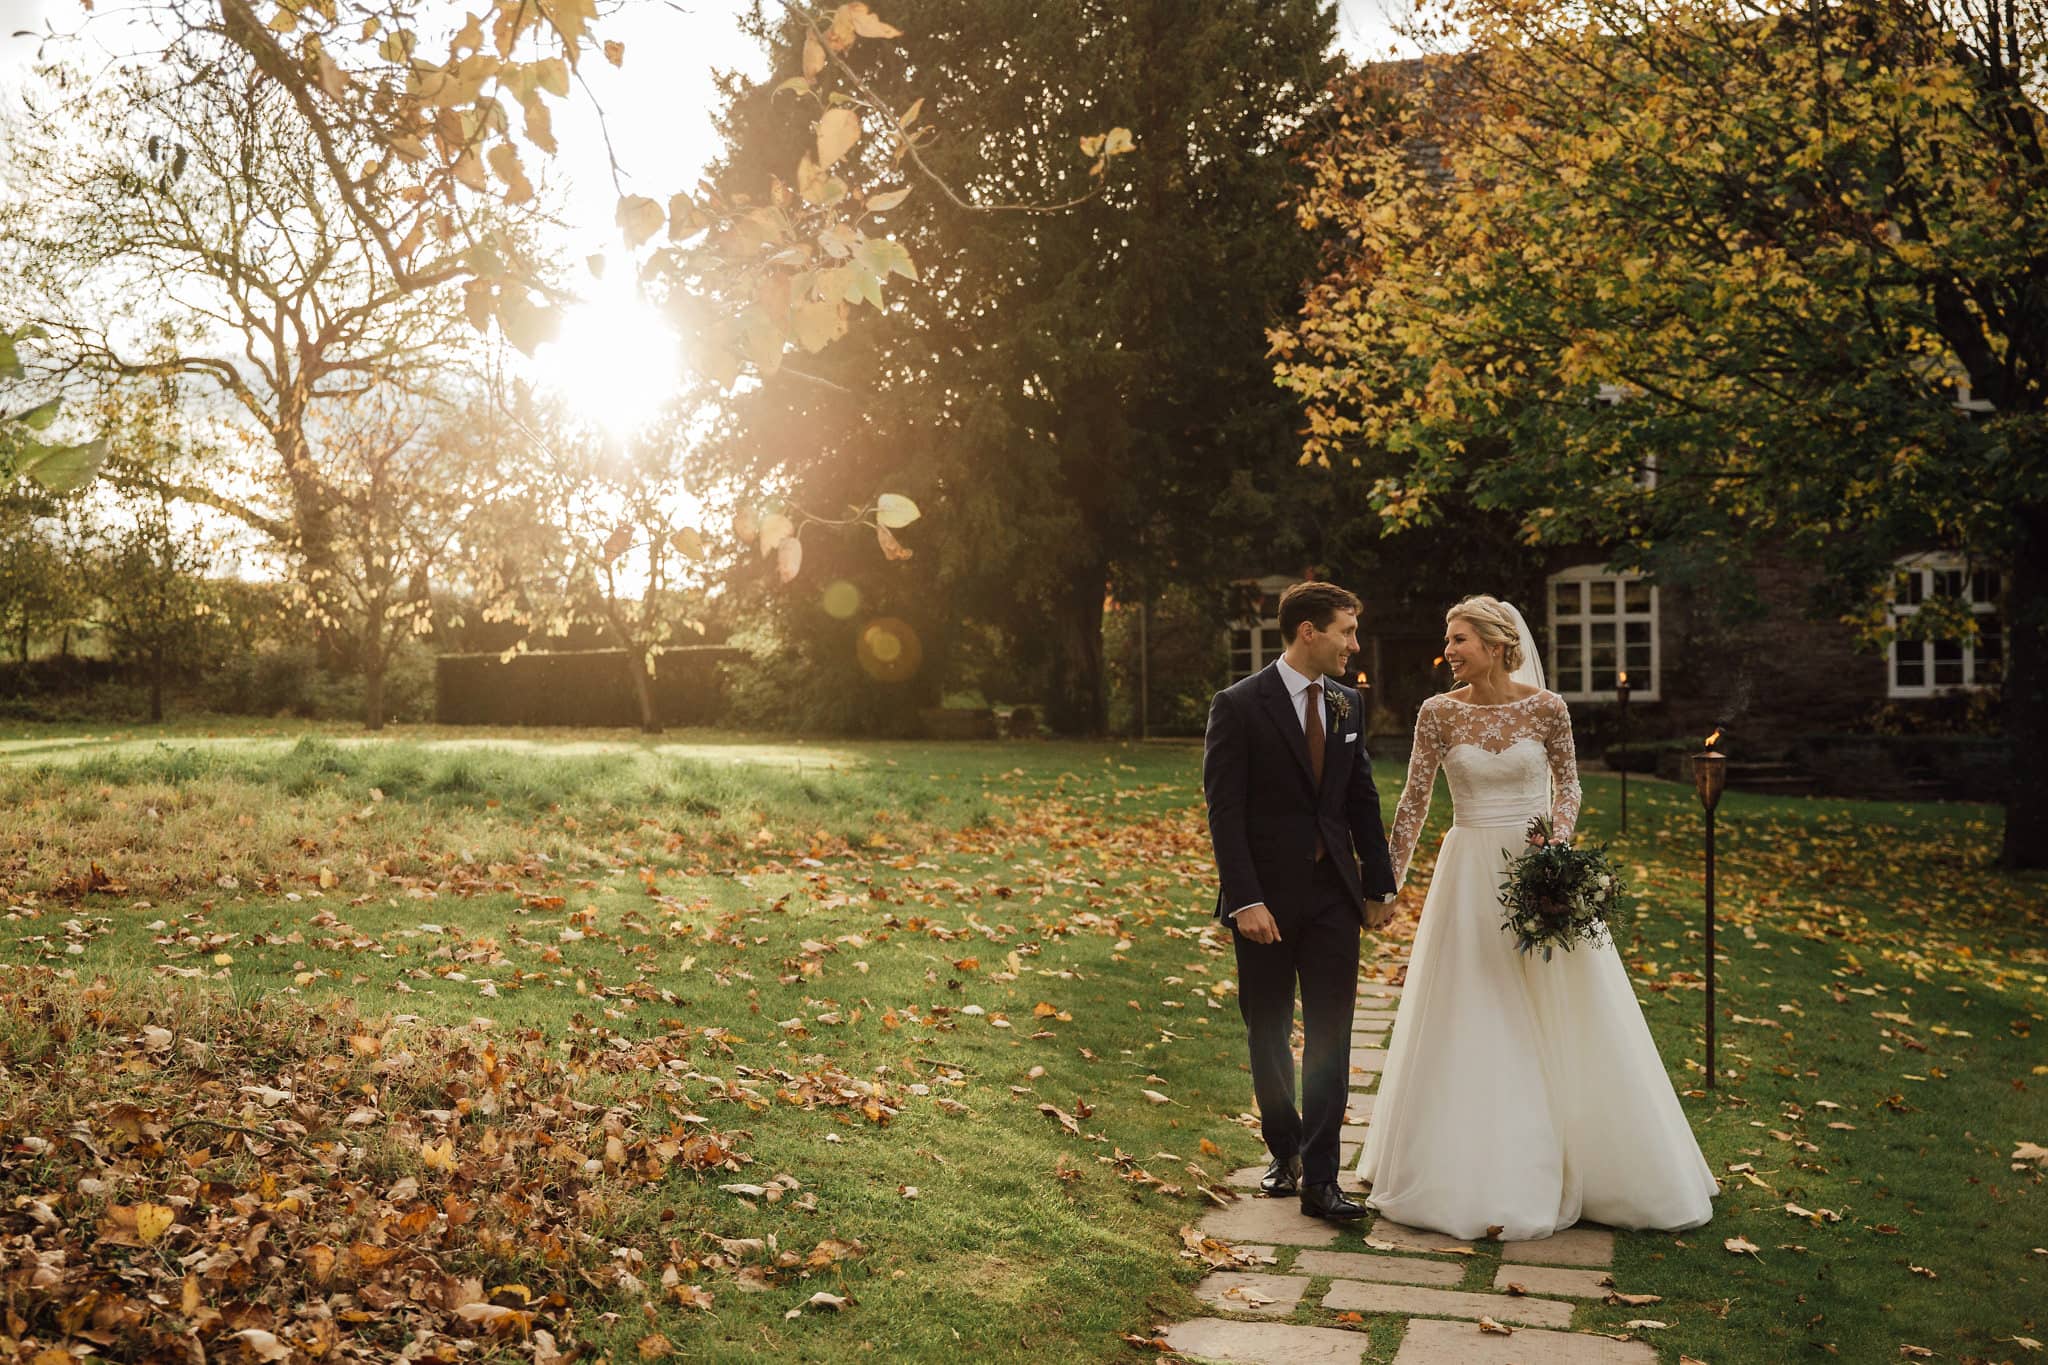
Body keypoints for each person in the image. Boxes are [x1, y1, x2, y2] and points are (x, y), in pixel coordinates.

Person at [1360, 594, 1718, 1240]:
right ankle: (1472, 1163)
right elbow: (1414, 800)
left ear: (1497, 644)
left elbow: (1569, 783)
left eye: (1460, 638)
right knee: (1475, 1004)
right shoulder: (1437, 713)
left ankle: (1597, 1163)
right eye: (1449, 637)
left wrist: (1555, 846)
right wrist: (1387, 885)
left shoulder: (1547, 707)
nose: (1449, 649)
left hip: (1535, 871)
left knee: (1564, 1008)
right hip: (1468, 872)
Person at [1203, 581, 1398, 1222]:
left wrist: (1378, 883)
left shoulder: (1348, 704)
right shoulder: (1238, 706)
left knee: (1332, 1033)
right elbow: (1225, 815)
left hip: (1333, 897)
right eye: (1346, 630)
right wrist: (1245, 900)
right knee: (1267, 1031)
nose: (1355, 643)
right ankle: (1282, 1148)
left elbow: (1360, 797)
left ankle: (1322, 1179)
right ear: (1308, 631)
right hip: (1264, 902)